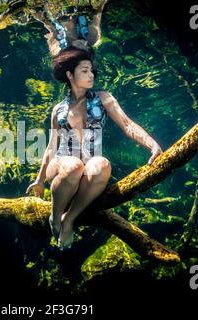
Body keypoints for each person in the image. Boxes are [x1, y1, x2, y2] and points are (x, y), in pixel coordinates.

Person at [26, 47, 163, 250]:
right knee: (73, 165)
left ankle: (69, 219)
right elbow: (51, 147)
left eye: (91, 70)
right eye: (84, 70)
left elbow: (127, 124)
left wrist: (152, 145)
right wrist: (39, 181)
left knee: (102, 164)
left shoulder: (103, 98)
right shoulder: (58, 110)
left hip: (88, 165)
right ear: (69, 75)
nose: (91, 75)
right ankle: (55, 218)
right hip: (61, 163)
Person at [30, 0, 107, 56]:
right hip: (78, 25)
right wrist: (102, 3)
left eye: (79, 47)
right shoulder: (93, 37)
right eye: (85, 46)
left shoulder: (61, 46)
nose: (83, 44)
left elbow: (53, 30)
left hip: (60, 39)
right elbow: (97, 15)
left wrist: (42, 19)